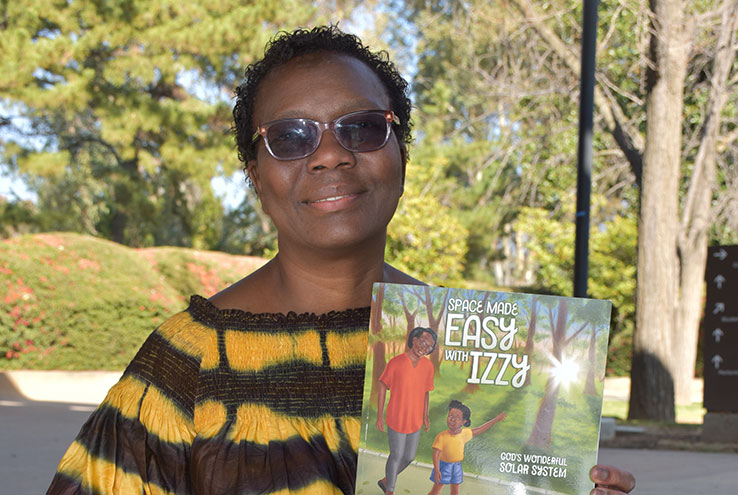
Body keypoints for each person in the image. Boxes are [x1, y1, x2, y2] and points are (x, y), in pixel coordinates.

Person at [46, 25, 636, 495]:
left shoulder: (475, 349)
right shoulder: (188, 362)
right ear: (256, 176)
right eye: (292, 137)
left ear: (401, 156)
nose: (330, 154)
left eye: (360, 128)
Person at [375, 327, 437, 495]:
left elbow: (426, 392)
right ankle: (390, 490)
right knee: (396, 455)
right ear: (414, 340)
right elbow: (382, 386)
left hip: (415, 420)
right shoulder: (396, 362)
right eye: (423, 342)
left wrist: (425, 416)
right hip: (397, 418)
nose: (424, 348)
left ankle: (386, 481)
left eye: (429, 347)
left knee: (409, 457)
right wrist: (379, 416)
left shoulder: (428, 366)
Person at [427, 400, 506, 495]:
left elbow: (480, 429)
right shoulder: (442, 436)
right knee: (436, 491)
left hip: (457, 466)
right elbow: (436, 454)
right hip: (443, 466)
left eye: (457, 418)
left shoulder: (465, 433)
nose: (452, 419)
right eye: (450, 416)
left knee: (455, 491)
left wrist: (496, 419)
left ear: (464, 422)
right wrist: (437, 470)